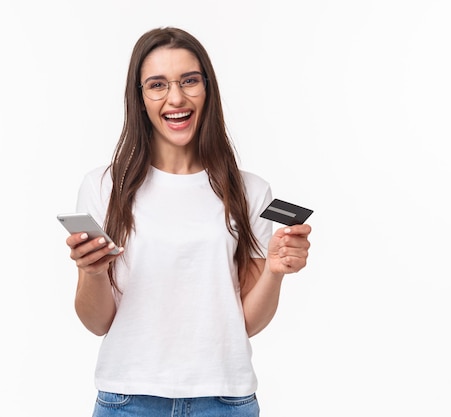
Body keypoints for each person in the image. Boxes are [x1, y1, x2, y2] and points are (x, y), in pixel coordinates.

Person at [66, 26, 312, 417]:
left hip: (225, 400)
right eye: (157, 85)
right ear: (140, 97)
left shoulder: (250, 191)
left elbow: (246, 323)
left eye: (189, 81)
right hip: (128, 399)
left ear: (207, 89)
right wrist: (93, 273)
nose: (176, 98)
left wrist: (276, 272)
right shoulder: (103, 186)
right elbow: (97, 323)